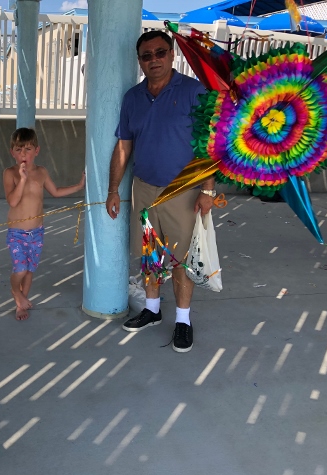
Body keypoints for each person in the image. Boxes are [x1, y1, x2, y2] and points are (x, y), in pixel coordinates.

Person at [105, 30, 215, 353]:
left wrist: (208, 190)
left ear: (172, 54)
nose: (154, 59)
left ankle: (183, 320)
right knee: (150, 252)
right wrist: (113, 190)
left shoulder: (194, 91)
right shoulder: (132, 98)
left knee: (181, 258)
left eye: (160, 52)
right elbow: (123, 146)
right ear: (140, 61)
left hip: (183, 189)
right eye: (146, 56)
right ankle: (152, 310)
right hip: (144, 188)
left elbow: (210, 143)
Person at [3, 127, 86, 321]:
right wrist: (22, 179)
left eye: (28, 149)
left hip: (37, 232)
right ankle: (16, 293)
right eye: (18, 150)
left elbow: (55, 191)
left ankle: (21, 304)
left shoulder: (41, 172)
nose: (23, 154)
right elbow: (13, 201)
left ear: (37, 150)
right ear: (12, 152)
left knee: (29, 270)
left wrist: (79, 186)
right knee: (20, 270)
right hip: (17, 233)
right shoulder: (10, 173)